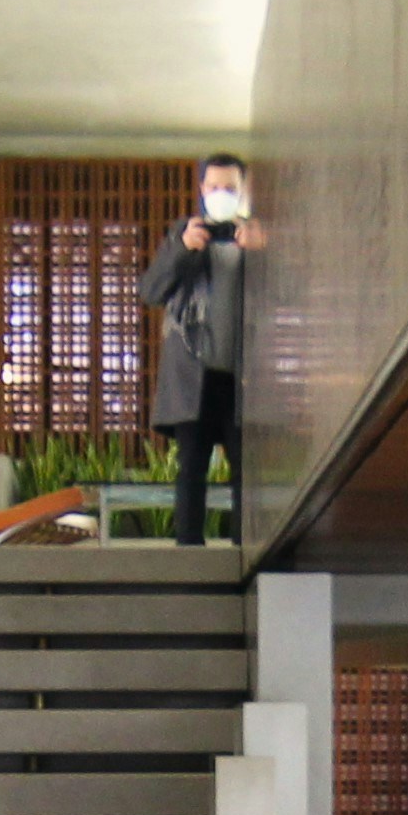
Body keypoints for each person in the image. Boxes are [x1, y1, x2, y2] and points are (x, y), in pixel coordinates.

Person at [137, 154, 257, 548]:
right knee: (191, 467)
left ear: (242, 191)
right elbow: (151, 291)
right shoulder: (184, 234)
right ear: (202, 189)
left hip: (242, 375)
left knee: (246, 472)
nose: (222, 194)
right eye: (214, 186)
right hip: (193, 373)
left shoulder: (253, 237)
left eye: (230, 187)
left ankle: (244, 552)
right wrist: (183, 250)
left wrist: (263, 251)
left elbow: (287, 296)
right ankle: (189, 553)